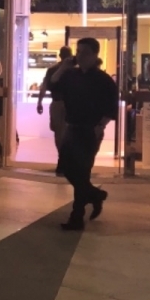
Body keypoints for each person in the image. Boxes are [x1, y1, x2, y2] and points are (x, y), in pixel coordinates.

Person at [49, 37, 118, 231]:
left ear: (95, 55)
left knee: (82, 171)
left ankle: (77, 216)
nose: (80, 56)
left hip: (90, 130)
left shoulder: (104, 80)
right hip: (71, 128)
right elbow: (53, 85)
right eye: (78, 52)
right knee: (67, 168)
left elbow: (111, 107)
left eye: (85, 53)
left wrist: (100, 126)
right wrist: (63, 67)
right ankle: (95, 195)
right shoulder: (71, 75)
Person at [37, 46, 73, 176]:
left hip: (57, 103)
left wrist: (39, 102)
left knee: (58, 133)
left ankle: (62, 159)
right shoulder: (74, 70)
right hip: (71, 105)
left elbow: (44, 87)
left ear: (60, 55)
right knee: (70, 133)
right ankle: (66, 160)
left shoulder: (52, 70)